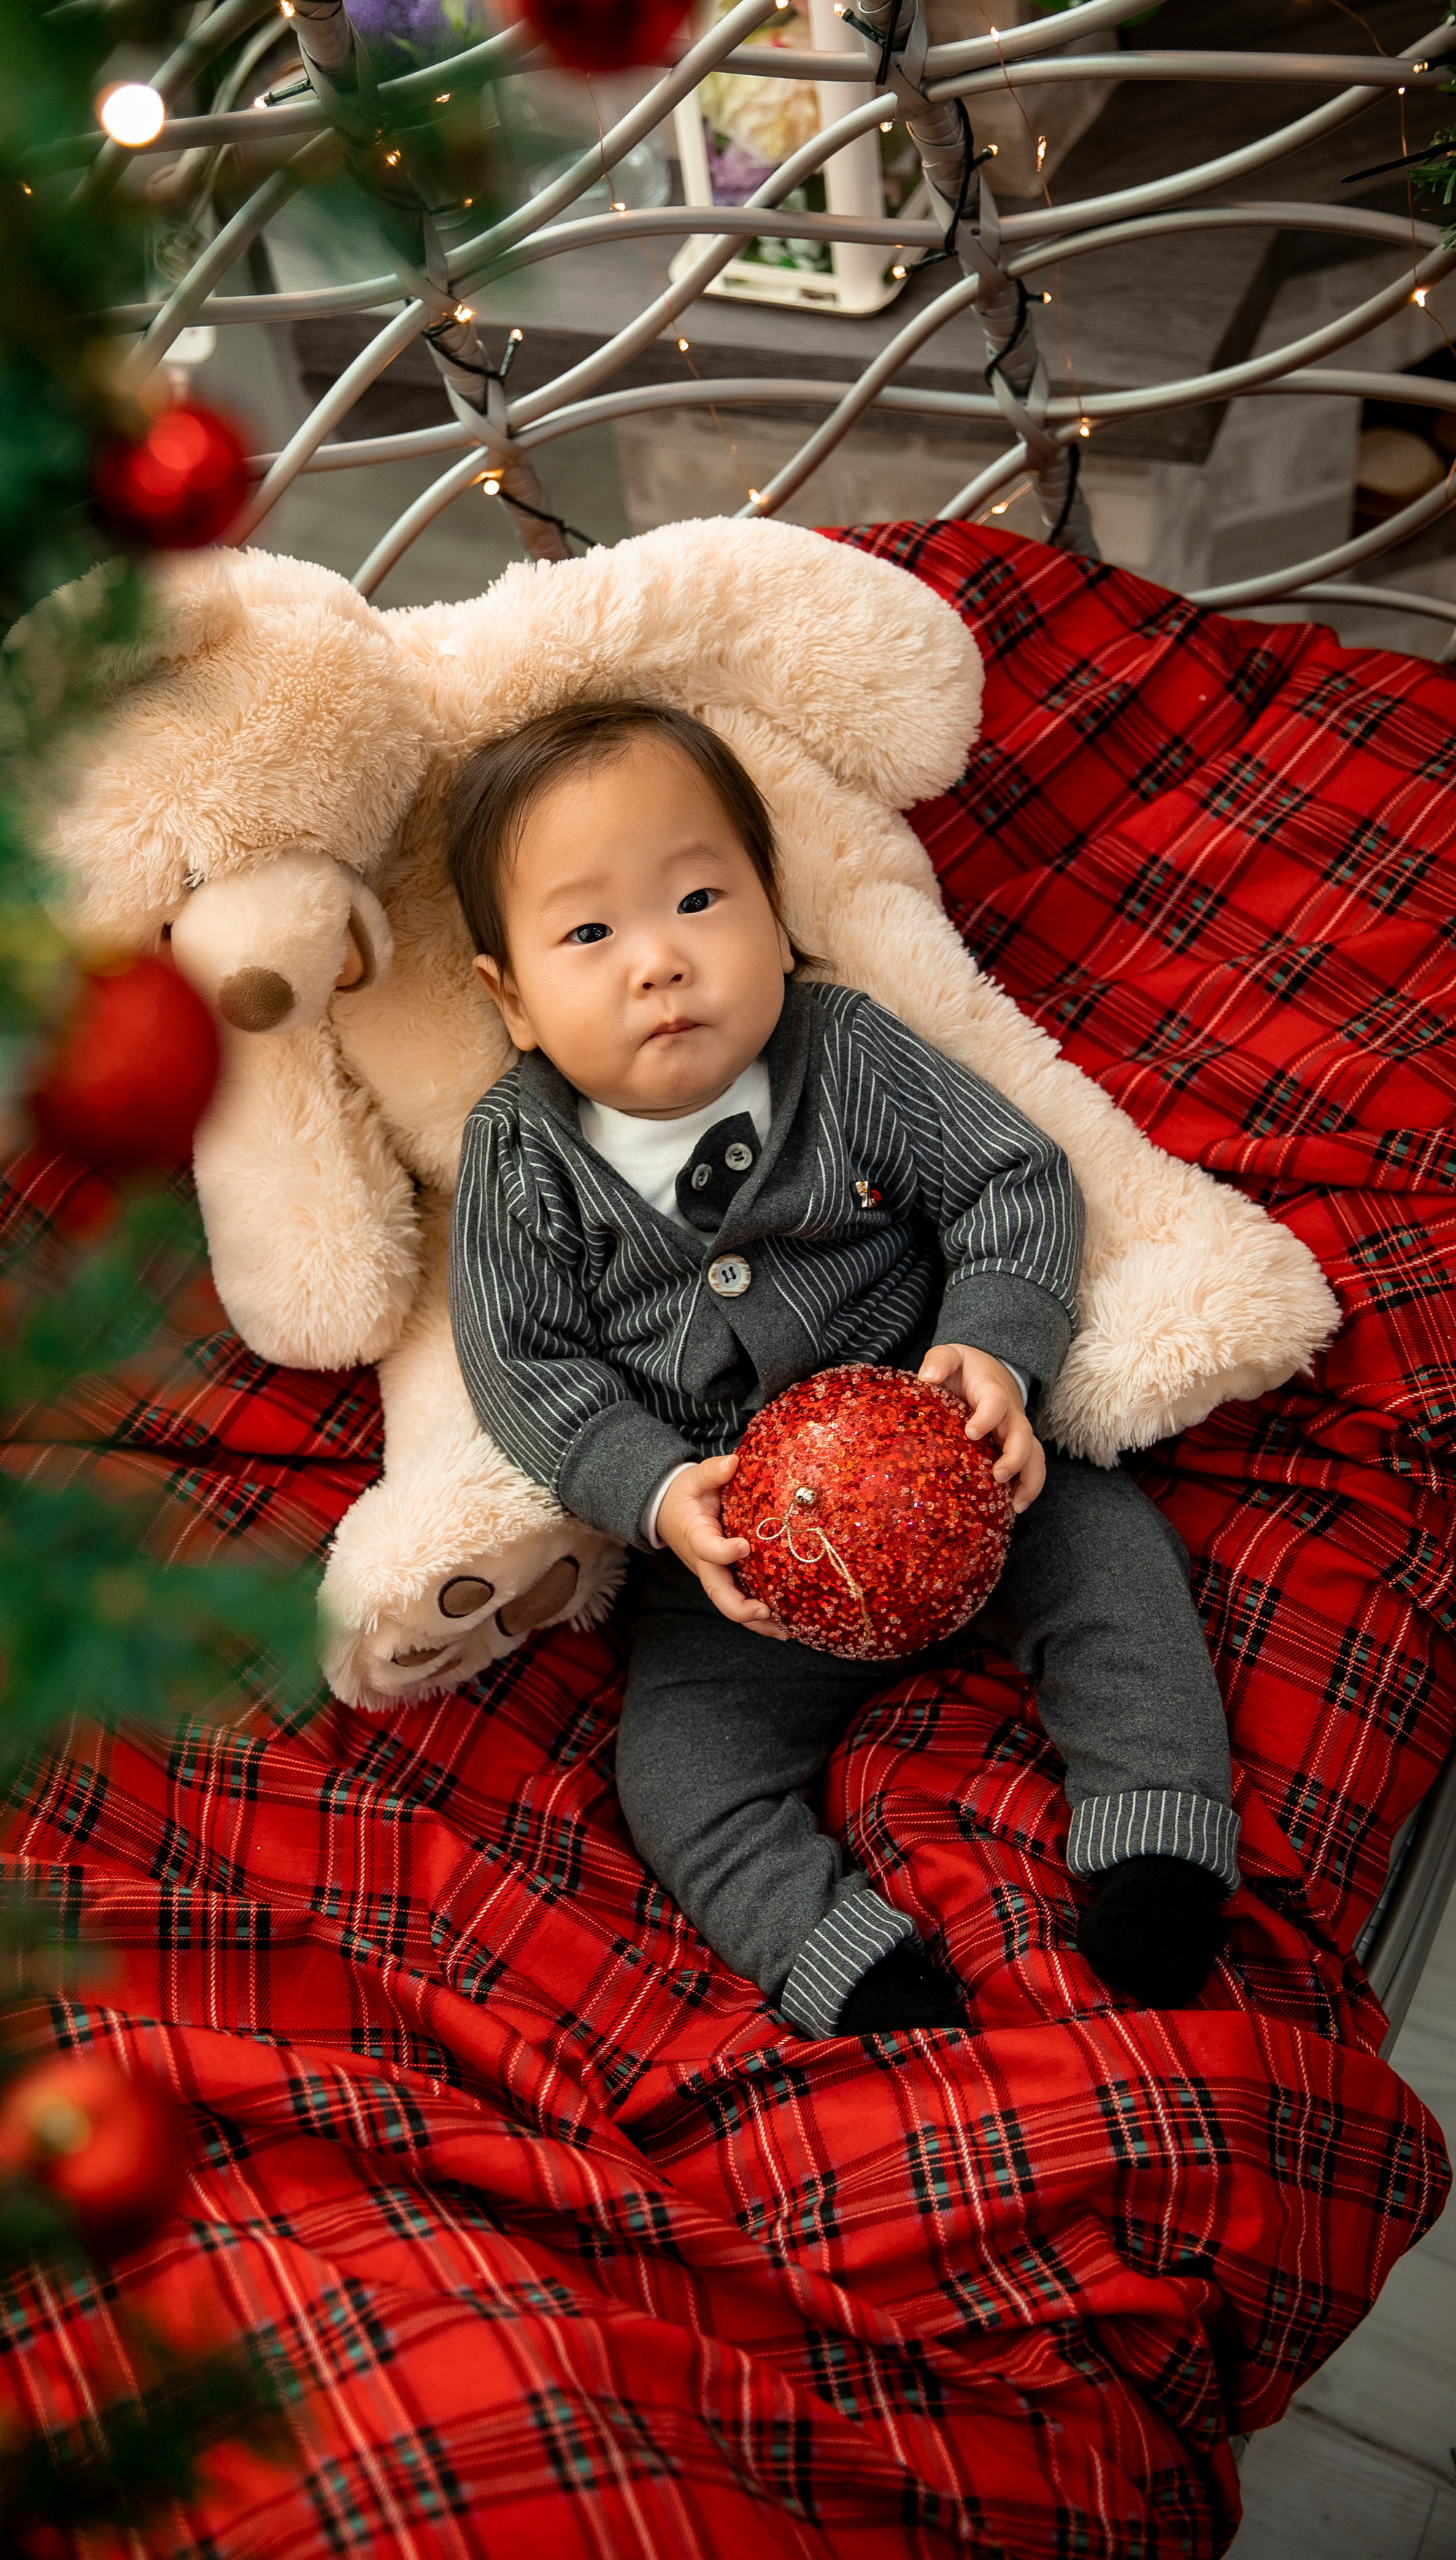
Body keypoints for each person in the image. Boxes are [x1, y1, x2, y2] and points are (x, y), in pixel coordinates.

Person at [444, 698, 1239, 2034]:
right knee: (677, 1772)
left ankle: (1157, 1839)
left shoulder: (847, 1050)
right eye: (590, 933)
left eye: (700, 897)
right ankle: (846, 1964)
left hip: (960, 1471)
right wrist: (658, 1495)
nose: (660, 962)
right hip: (740, 1574)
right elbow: (523, 1368)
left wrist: (992, 1351)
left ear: (773, 905)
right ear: (511, 1001)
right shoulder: (522, 1163)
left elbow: (1014, 1180)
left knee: (1115, 1563)